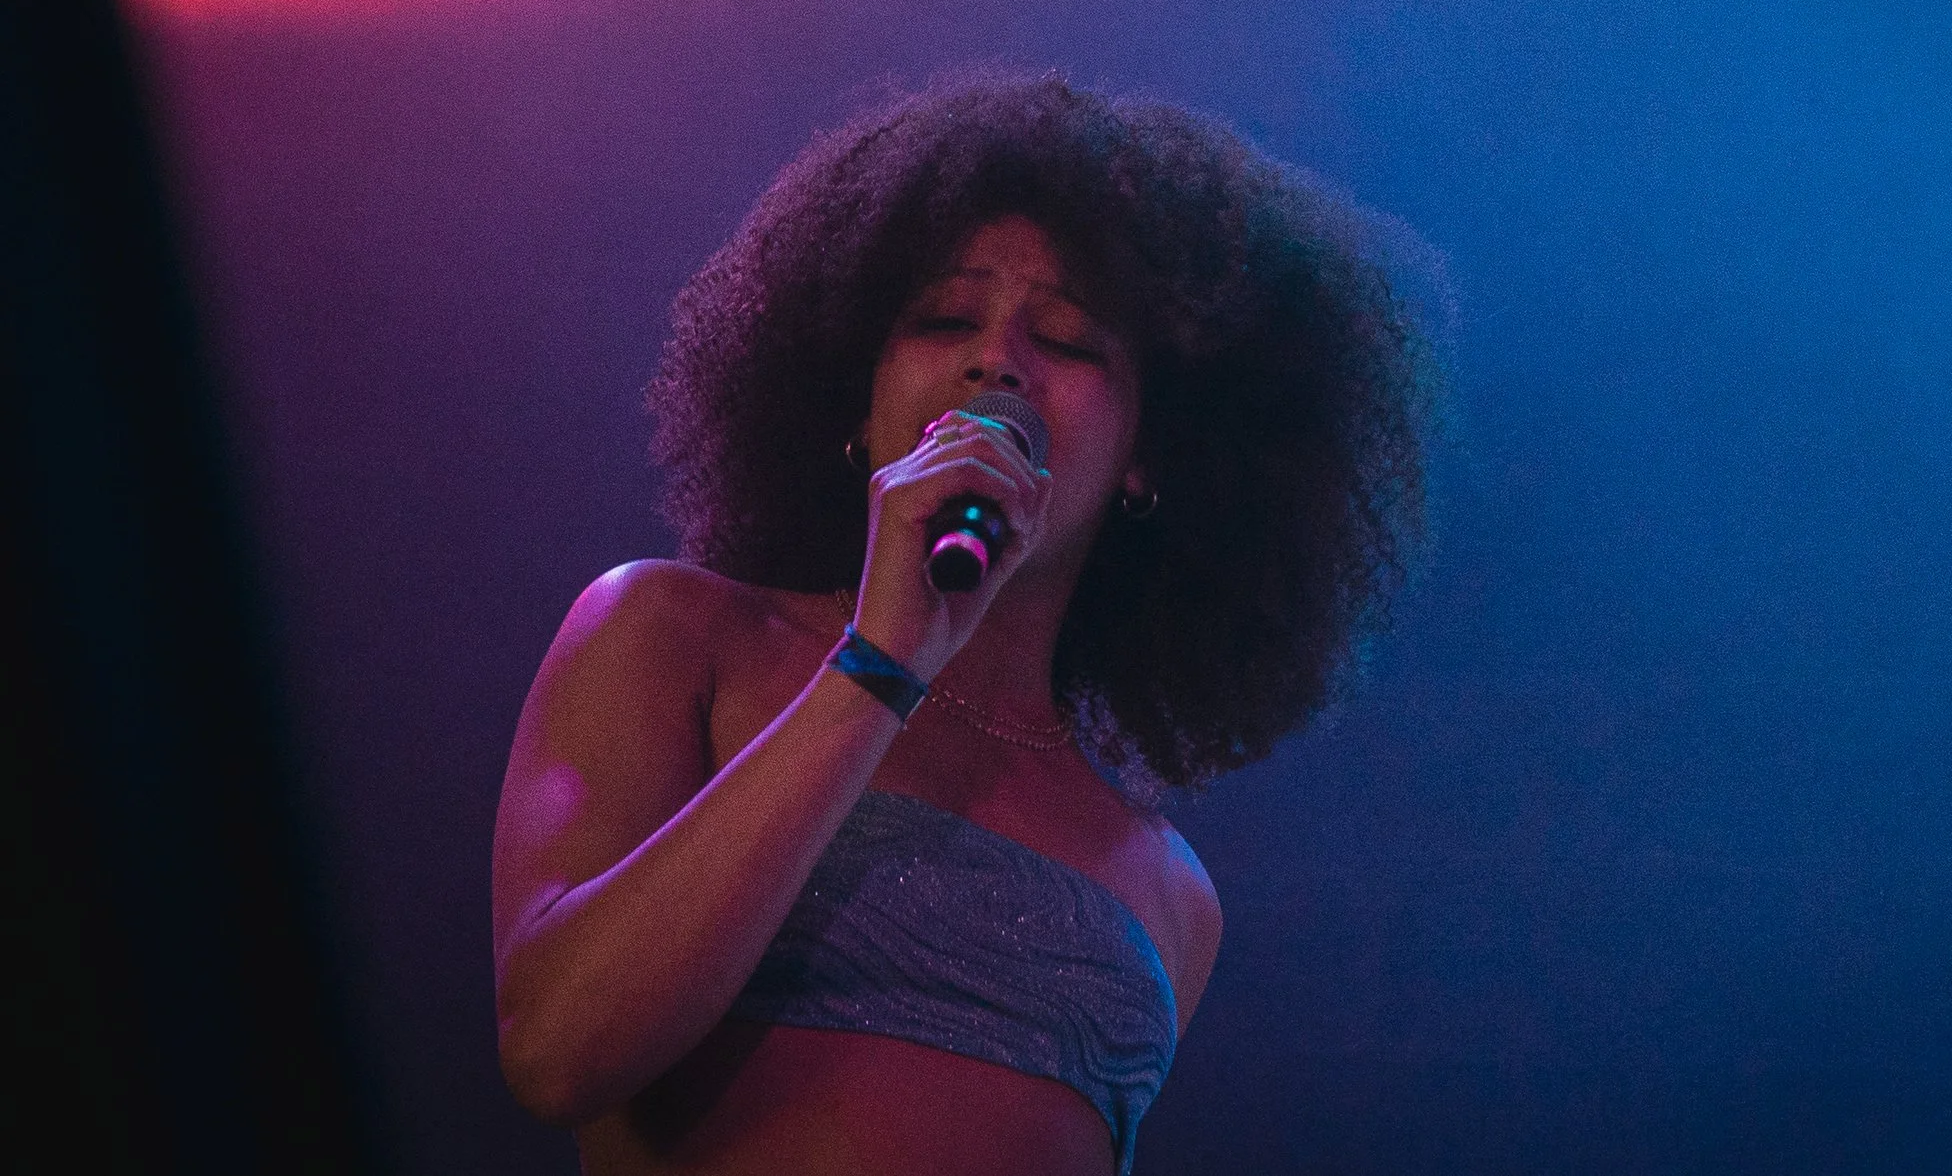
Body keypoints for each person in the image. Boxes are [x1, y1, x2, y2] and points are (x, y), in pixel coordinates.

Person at [490, 72, 1438, 1174]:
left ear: (1145, 454)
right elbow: (558, 1052)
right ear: (857, 400)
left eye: (1069, 339)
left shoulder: (1171, 893)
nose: (998, 360)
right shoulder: (672, 633)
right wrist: (880, 663)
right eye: (944, 319)